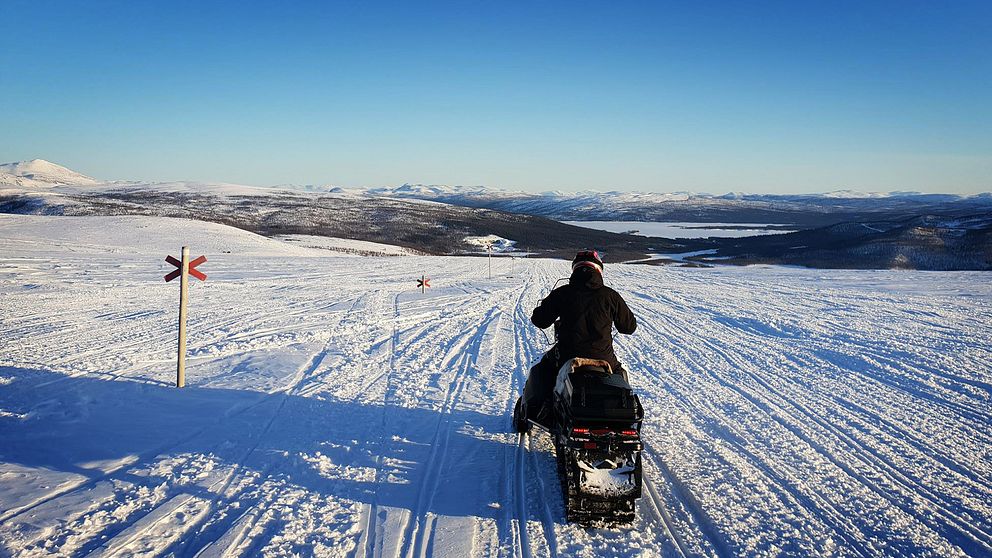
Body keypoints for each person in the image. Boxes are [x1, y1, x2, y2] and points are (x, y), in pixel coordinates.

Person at [519, 249, 637, 427]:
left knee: (542, 369)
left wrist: (546, 308)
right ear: (599, 270)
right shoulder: (610, 295)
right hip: (603, 357)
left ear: (575, 270)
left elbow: (540, 320)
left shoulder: (563, 292)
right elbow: (629, 327)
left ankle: (540, 411)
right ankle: (623, 412)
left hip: (567, 356)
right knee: (619, 374)